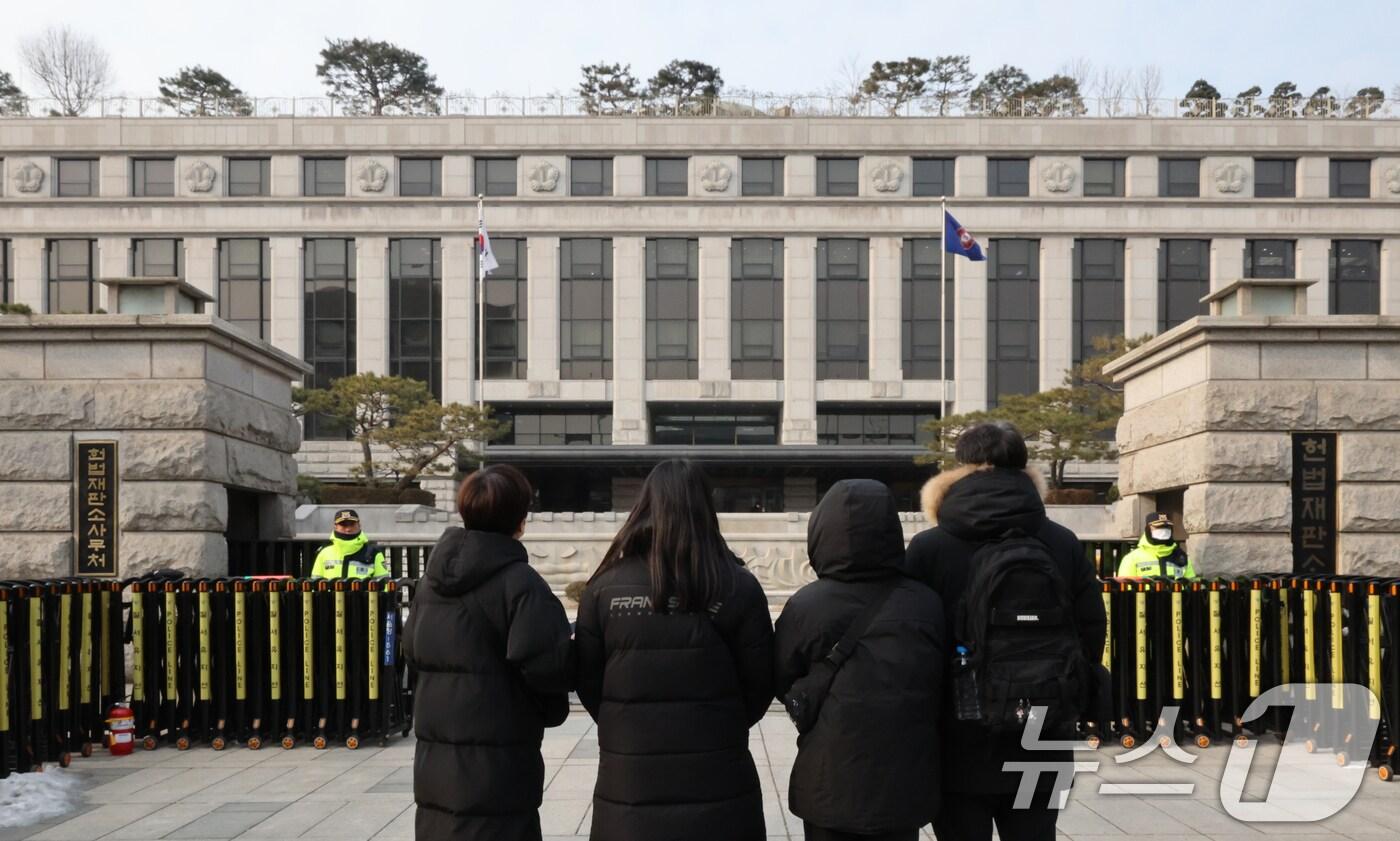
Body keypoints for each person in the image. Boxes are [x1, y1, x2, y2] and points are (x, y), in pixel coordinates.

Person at [904, 422, 1106, 841]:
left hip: (958, 738)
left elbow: (914, 643)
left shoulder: (930, 548)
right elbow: (1091, 631)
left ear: (959, 470)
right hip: (1041, 732)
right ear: (1025, 471)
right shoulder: (1061, 542)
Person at [574, 459, 774, 841]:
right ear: (705, 506)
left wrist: (627, 723)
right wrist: (721, 722)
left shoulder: (603, 589)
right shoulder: (738, 587)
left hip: (630, 783)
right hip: (719, 778)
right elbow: (760, 685)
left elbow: (588, 682)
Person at [403, 465, 573, 841]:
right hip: (498, 765)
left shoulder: (429, 585)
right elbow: (550, 667)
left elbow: (412, 651)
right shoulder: (521, 584)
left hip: (436, 766)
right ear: (520, 520)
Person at [774, 479, 946, 841]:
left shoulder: (807, 605)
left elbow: (781, 675)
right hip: (903, 784)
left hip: (828, 784)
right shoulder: (925, 603)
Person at [310, 509, 389, 579]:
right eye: (343, 525)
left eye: (352, 524)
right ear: (335, 527)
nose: (348, 529)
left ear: (359, 525)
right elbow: (315, 585)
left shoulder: (374, 554)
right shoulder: (324, 553)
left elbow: (384, 586)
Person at [1116, 512, 1197, 579]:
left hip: (1177, 598)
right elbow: (1125, 591)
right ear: (1148, 530)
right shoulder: (1131, 559)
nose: (1164, 531)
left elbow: (1192, 587)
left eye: (1167, 527)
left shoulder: (1181, 557)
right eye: (1158, 528)